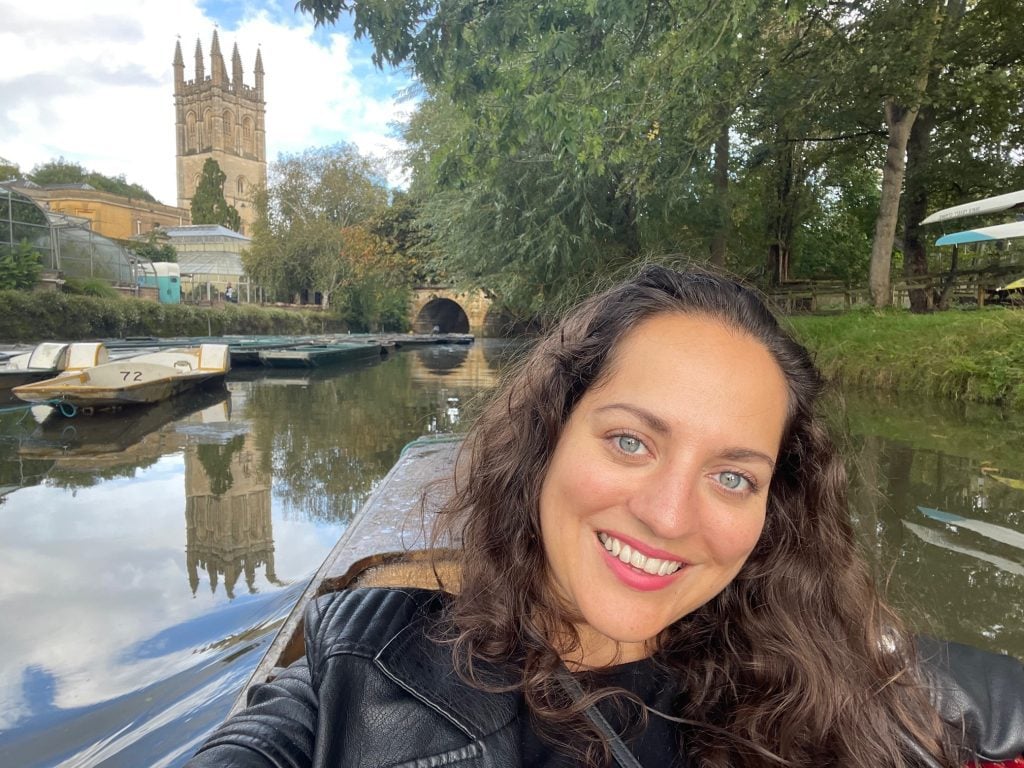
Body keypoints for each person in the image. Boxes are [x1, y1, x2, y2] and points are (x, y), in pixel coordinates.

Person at [188, 265, 1024, 767]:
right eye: (630, 441)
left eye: (733, 477)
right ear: (548, 437)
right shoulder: (358, 671)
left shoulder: (846, 681)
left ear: (776, 508)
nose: (667, 515)